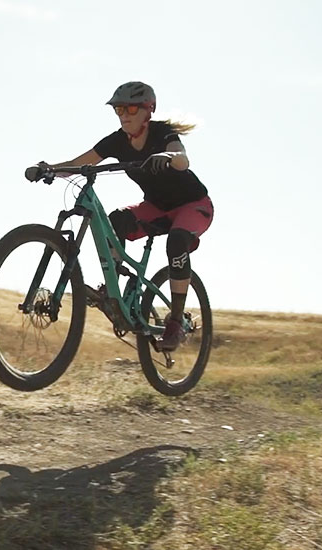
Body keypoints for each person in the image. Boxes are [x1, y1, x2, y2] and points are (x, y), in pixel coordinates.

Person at [28, 81, 213, 351]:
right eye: (118, 109)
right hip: (156, 208)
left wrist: (167, 155)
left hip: (193, 205)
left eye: (130, 108)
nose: (123, 114)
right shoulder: (117, 140)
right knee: (116, 221)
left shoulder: (162, 133)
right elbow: (82, 163)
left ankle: (175, 322)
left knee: (176, 242)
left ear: (148, 110)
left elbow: (182, 159)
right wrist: (49, 169)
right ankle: (114, 293)